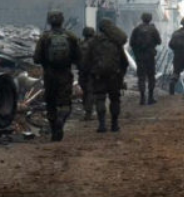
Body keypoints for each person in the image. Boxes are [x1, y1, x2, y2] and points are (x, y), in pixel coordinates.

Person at [32, 10, 81, 141]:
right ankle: (61, 119)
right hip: (65, 74)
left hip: (49, 74)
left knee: (51, 103)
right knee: (65, 102)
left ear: (49, 21)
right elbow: (78, 57)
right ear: (62, 20)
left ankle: (54, 131)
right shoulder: (70, 36)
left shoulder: (44, 37)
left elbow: (36, 58)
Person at [84, 18, 129, 132]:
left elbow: (87, 60)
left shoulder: (94, 42)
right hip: (114, 75)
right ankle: (114, 124)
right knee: (115, 99)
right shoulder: (116, 42)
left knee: (100, 99)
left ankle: (102, 125)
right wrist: (121, 74)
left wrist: (91, 73)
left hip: (98, 76)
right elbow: (124, 62)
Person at [130, 12, 162, 105]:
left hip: (140, 57)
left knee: (141, 77)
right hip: (150, 56)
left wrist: (137, 51)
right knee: (151, 77)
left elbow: (131, 43)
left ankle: (142, 98)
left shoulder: (136, 29)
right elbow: (159, 41)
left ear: (142, 18)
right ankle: (150, 98)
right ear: (150, 19)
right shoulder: (153, 29)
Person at [78, 26, 97, 107]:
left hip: (82, 70)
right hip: (93, 70)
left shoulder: (80, 44)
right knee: (91, 90)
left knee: (84, 89)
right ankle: (89, 108)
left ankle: (86, 106)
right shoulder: (96, 44)